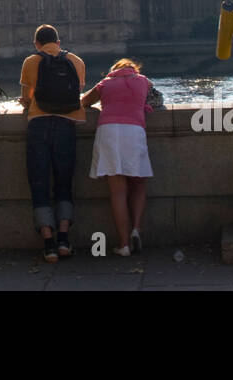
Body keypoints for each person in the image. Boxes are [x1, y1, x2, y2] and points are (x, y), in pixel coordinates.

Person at [18, 24, 85, 262]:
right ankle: (64, 239)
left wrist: (27, 102)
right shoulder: (76, 61)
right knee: (64, 182)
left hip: (39, 124)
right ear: (58, 41)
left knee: (39, 181)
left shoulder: (31, 61)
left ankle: (48, 243)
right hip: (67, 124)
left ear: (37, 43)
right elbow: (76, 92)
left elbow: (27, 97)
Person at [82, 59, 153, 256]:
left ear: (114, 71)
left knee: (118, 191)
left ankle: (123, 245)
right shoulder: (143, 81)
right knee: (138, 184)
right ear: (133, 69)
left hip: (110, 131)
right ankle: (136, 229)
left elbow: (84, 102)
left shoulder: (106, 83)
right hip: (134, 131)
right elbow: (155, 99)